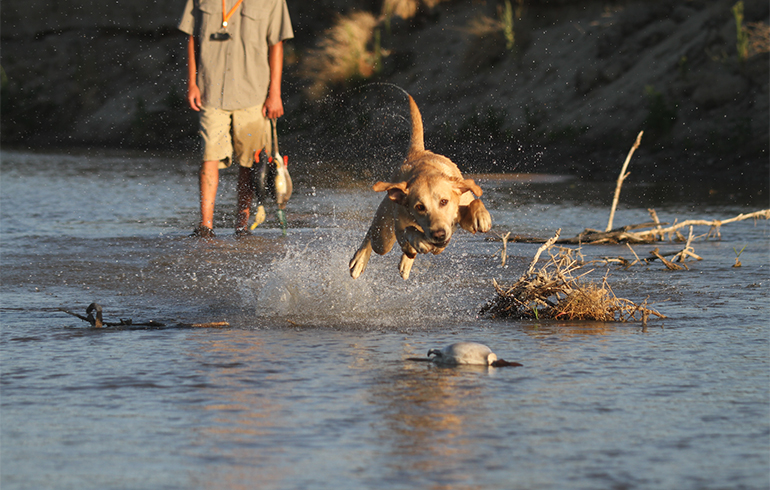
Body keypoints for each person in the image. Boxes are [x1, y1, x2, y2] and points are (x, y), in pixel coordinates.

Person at [178, 0, 294, 238]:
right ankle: (205, 227)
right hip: (210, 90)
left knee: (251, 163)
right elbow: (192, 37)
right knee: (209, 154)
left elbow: (277, 45)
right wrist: (192, 83)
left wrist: (275, 93)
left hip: (254, 94)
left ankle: (242, 226)